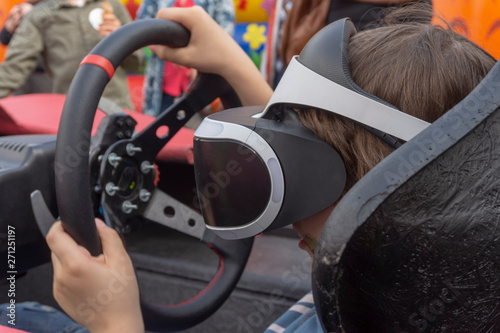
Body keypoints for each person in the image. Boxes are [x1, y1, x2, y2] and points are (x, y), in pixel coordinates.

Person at [2, 3, 497, 332]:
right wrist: (235, 66)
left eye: (311, 171)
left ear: (395, 201)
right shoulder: (419, 277)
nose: (290, 190)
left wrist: (117, 321)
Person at [0, 0, 144, 110]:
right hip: (71, 112)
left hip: (117, 107)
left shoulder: (112, 5)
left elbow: (138, 62)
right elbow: (13, 69)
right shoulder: (38, 15)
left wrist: (122, 39)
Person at [137, 0, 235, 116]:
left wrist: (200, 64)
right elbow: (142, 27)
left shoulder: (219, 2)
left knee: (200, 130)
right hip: (163, 87)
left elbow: (224, 37)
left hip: (201, 86)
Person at [0, 0, 53, 95]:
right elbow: (3, 38)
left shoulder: (53, 8)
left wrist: (34, 14)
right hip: (19, 73)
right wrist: (11, 25)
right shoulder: (20, 8)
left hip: (44, 74)